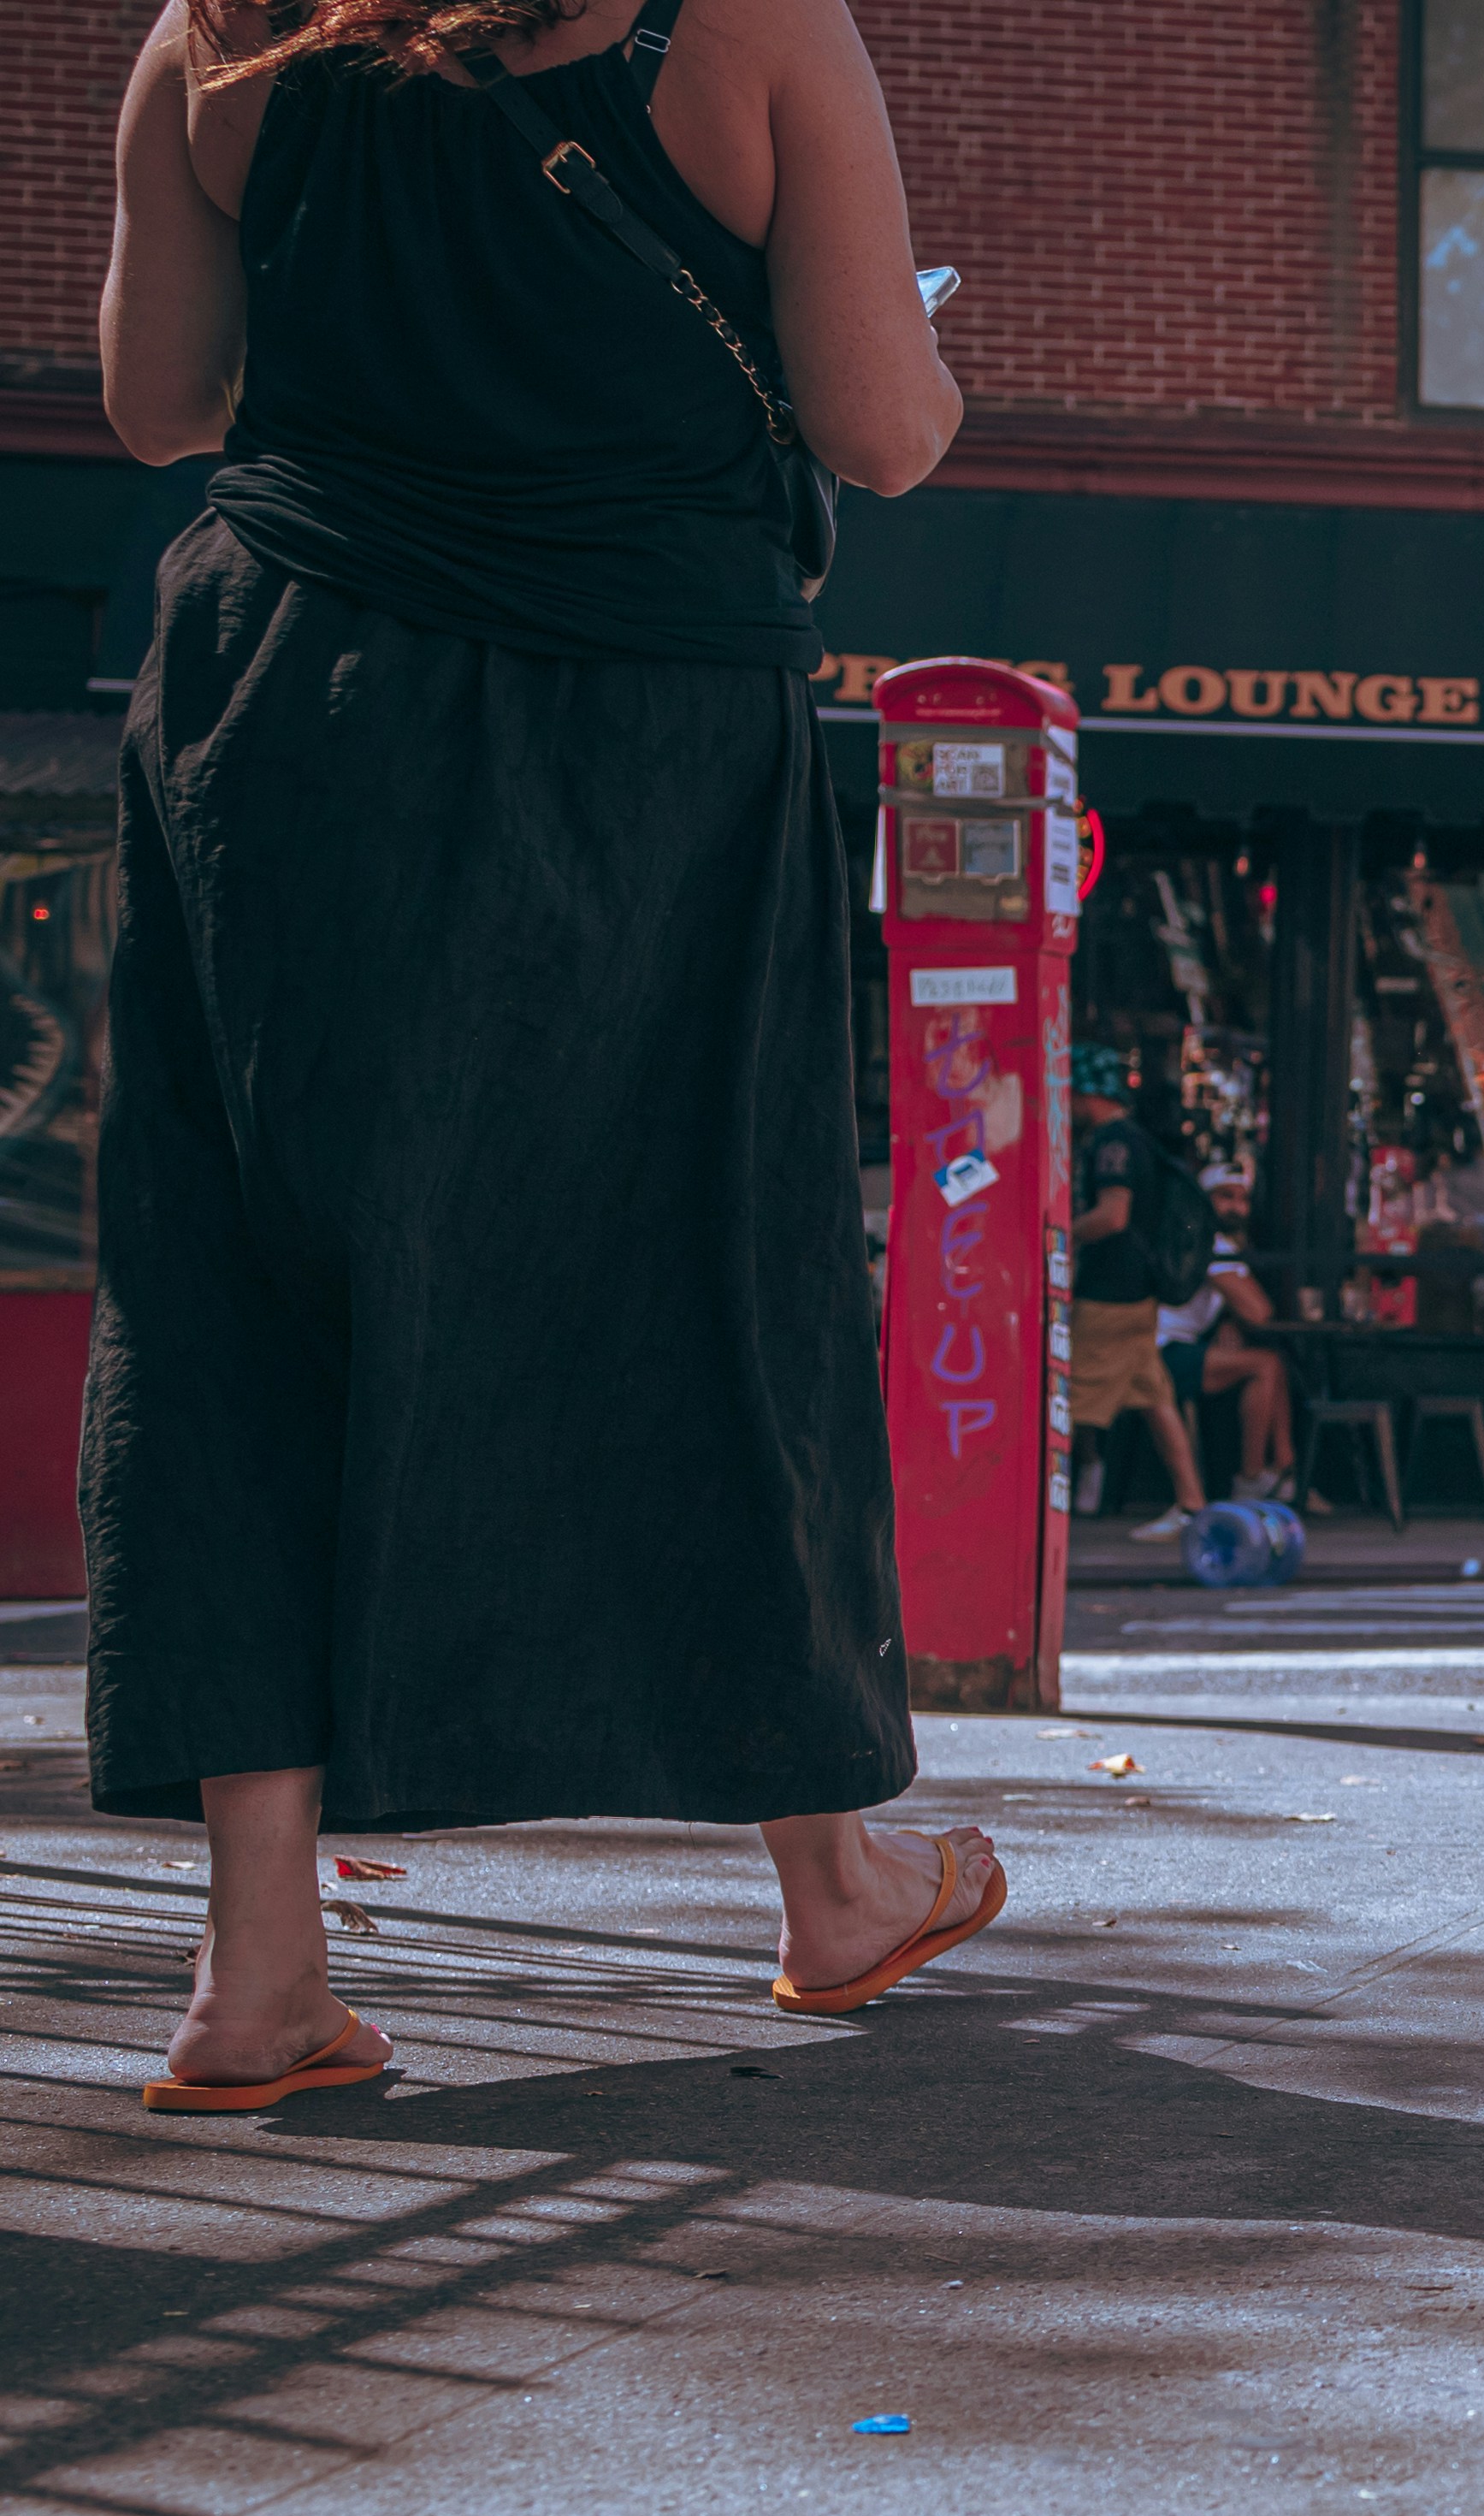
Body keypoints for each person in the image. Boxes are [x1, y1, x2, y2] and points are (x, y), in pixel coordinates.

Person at [90, 0, 994, 2107]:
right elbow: (880, 426)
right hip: (647, 726)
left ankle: (256, 1981)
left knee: (238, 1295)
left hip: (287, 704)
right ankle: (832, 1880)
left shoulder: (213, 39)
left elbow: (152, 405)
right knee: (703, 1257)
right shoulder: (748, 20)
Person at [1063, 1046, 1205, 1539]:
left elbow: (1112, 1215)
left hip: (1108, 1294)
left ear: (1086, 1093)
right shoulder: (1137, 1138)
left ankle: (1044, 1504)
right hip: (1138, 1295)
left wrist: (1057, 1233)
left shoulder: (1112, 1144)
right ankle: (1191, 1501)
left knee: (1064, 1399)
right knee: (1154, 1396)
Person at [1159, 1165, 1295, 1506]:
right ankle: (1252, 1479)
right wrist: (1236, 1314)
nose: (1236, 1207)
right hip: (1162, 1352)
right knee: (1265, 1364)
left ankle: (1282, 1468)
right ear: (1205, 1203)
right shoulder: (1207, 1240)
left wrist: (1226, 1322)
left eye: (1242, 1199)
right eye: (1225, 1197)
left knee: (1272, 1362)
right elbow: (1258, 1311)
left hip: (1181, 1347)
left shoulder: (1222, 1245)